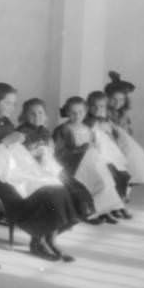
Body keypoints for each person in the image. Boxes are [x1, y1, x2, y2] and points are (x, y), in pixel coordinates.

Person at [0, 83, 81, 262]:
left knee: (58, 187)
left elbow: (16, 153)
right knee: (47, 194)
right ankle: (37, 242)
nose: (12, 108)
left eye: (13, 104)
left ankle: (49, 239)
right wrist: (7, 142)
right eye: (7, 103)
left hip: (15, 172)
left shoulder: (6, 122)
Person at [52, 96, 117, 225]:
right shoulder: (63, 130)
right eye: (73, 113)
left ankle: (104, 209)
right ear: (67, 112)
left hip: (89, 163)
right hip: (71, 165)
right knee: (91, 179)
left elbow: (94, 146)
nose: (77, 116)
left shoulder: (88, 128)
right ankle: (88, 212)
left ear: (86, 112)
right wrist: (80, 150)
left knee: (106, 176)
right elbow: (58, 154)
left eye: (80, 112)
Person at [86, 90, 132, 219]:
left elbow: (115, 137)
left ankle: (119, 204)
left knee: (123, 175)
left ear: (106, 108)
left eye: (101, 106)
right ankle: (109, 208)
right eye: (93, 106)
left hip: (109, 153)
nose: (97, 109)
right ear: (88, 106)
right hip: (95, 155)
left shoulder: (107, 120)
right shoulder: (87, 121)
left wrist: (110, 131)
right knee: (109, 176)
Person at [105, 70, 135, 134]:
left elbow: (127, 132)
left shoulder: (123, 113)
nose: (117, 103)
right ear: (107, 98)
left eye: (121, 99)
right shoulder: (104, 113)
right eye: (114, 99)